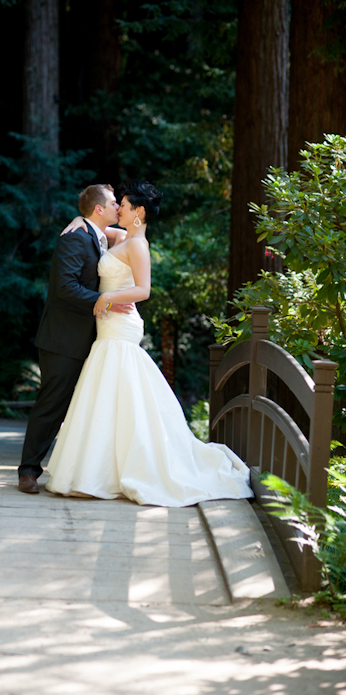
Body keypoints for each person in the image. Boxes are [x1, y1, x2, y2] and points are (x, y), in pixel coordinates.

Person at [45, 181, 253, 507]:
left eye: (124, 206)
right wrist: (78, 220)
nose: (119, 210)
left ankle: (123, 468)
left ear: (138, 212)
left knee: (119, 387)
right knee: (107, 393)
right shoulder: (123, 237)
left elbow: (144, 290)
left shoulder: (137, 245)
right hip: (108, 323)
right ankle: (101, 468)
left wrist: (106, 299)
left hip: (119, 323)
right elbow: (95, 229)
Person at [18, 184, 133, 494]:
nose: (117, 208)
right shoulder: (75, 239)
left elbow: (126, 236)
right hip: (63, 339)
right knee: (52, 404)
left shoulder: (93, 233)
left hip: (95, 340)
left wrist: (80, 218)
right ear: (99, 209)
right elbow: (64, 288)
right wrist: (106, 300)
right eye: (113, 203)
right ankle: (28, 471)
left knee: (89, 406)